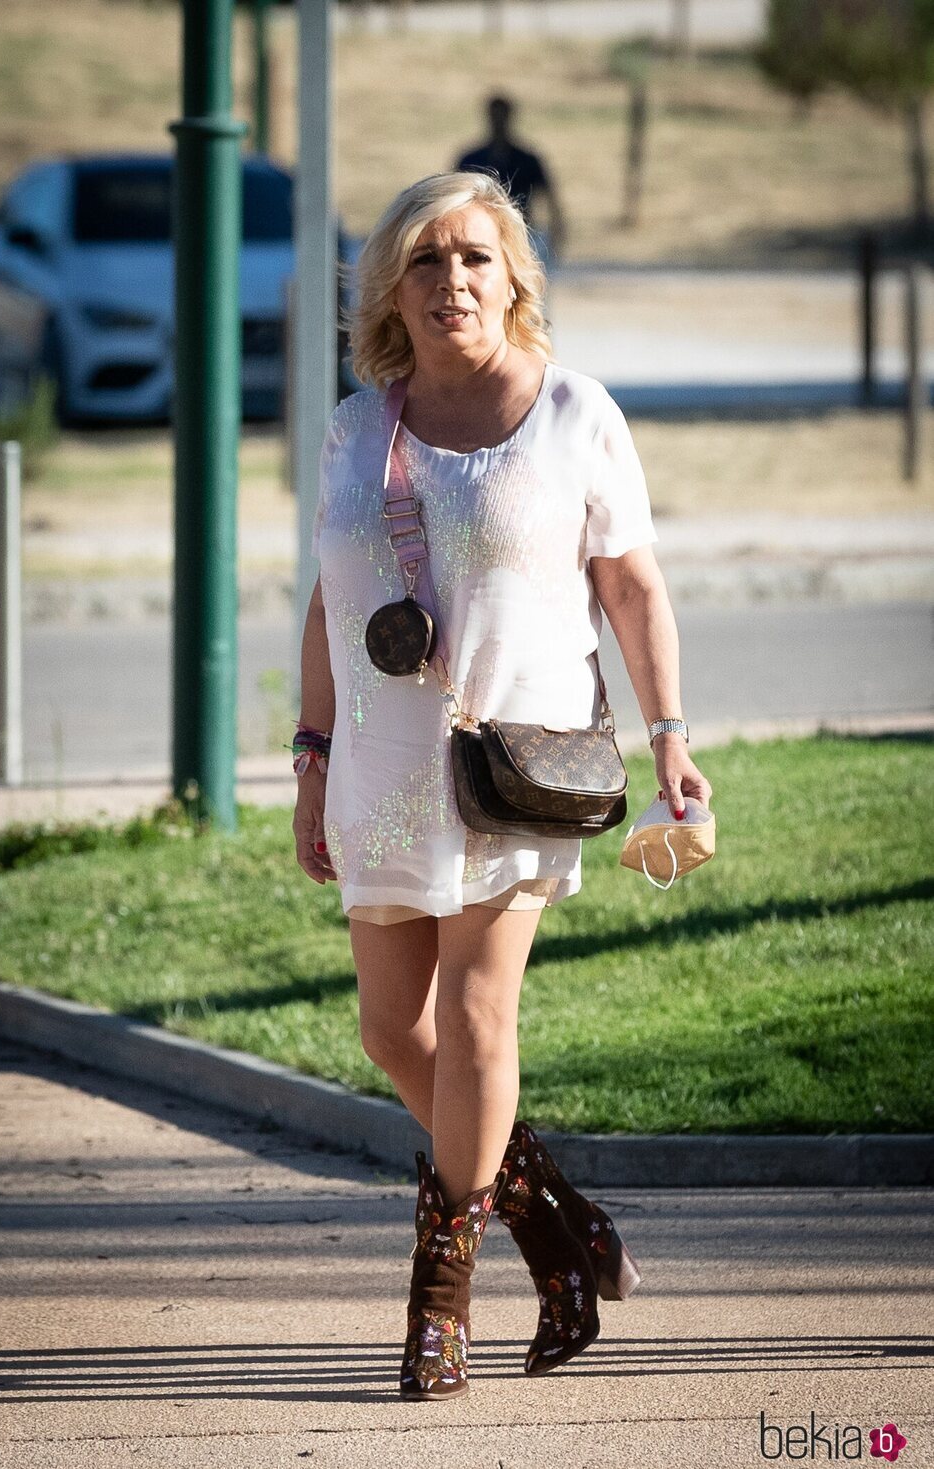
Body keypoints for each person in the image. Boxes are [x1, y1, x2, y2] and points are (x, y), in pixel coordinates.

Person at [292, 170, 712, 1401]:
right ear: (392, 288)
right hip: (378, 765)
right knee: (390, 1030)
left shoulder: (574, 413)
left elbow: (632, 588)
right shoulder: (354, 427)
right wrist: (308, 760)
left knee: (478, 1021)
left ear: (513, 275)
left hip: (511, 770)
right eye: (424, 261)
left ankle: (439, 1299)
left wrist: (671, 735)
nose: (450, 282)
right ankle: (561, 1223)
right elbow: (329, 600)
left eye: (473, 257)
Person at [455, 95, 566, 268]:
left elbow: (549, 195)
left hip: (523, 233)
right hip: (478, 232)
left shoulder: (527, 159)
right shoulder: (471, 159)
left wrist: (557, 229)